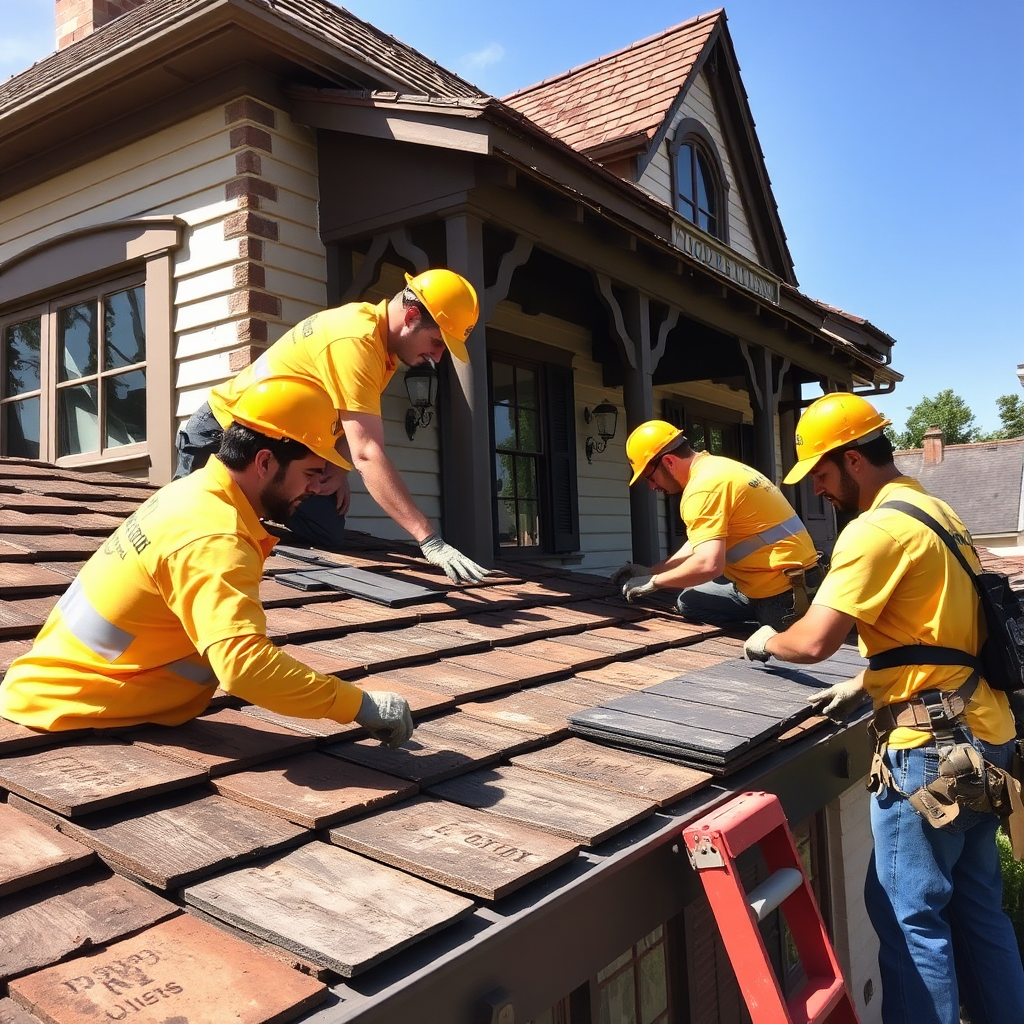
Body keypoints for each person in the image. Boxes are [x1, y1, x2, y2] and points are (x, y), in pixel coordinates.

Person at [743, 392, 1024, 1024]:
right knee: (979, 908)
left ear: (850, 459)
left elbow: (814, 640)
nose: (818, 490)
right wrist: (871, 678)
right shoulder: (933, 510)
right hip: (985, 733)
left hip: (930, 752)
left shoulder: (874, 528)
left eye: (819, 473)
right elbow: (938, 625)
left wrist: (769, 640)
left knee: (908, 917)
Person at [0, 377, 413, 749]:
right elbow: (244, 668)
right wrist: (358, 705)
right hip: (74, 723)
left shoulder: (193, 493)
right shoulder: (213, 535)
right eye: (309, 472)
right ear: (265, 462)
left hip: (60, 697)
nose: (316, 487)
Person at [175, 268, 488, 584]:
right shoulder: (356, 340)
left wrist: (336, 469)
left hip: (282, 450)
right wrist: (429, 540)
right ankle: (239, 507)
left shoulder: (383, 352)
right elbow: (367, 453)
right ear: (410, 316)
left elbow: (345, 422)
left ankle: (251, 505)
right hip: (226, 436)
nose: (437, 356)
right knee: (190, 538)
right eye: (436, 342)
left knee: (327, 529)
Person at [612, 420, 821, 630]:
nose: (651, 486)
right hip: (780, 583)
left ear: (668, 462)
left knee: (776, 639)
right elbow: (699, 543)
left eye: (650, 477)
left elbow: (708, 564)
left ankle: (777, 627)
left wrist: (654, 582)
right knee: (689, 602)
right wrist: (651, 571)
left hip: (784, 595)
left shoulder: (702, 489)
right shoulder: (715, 468)